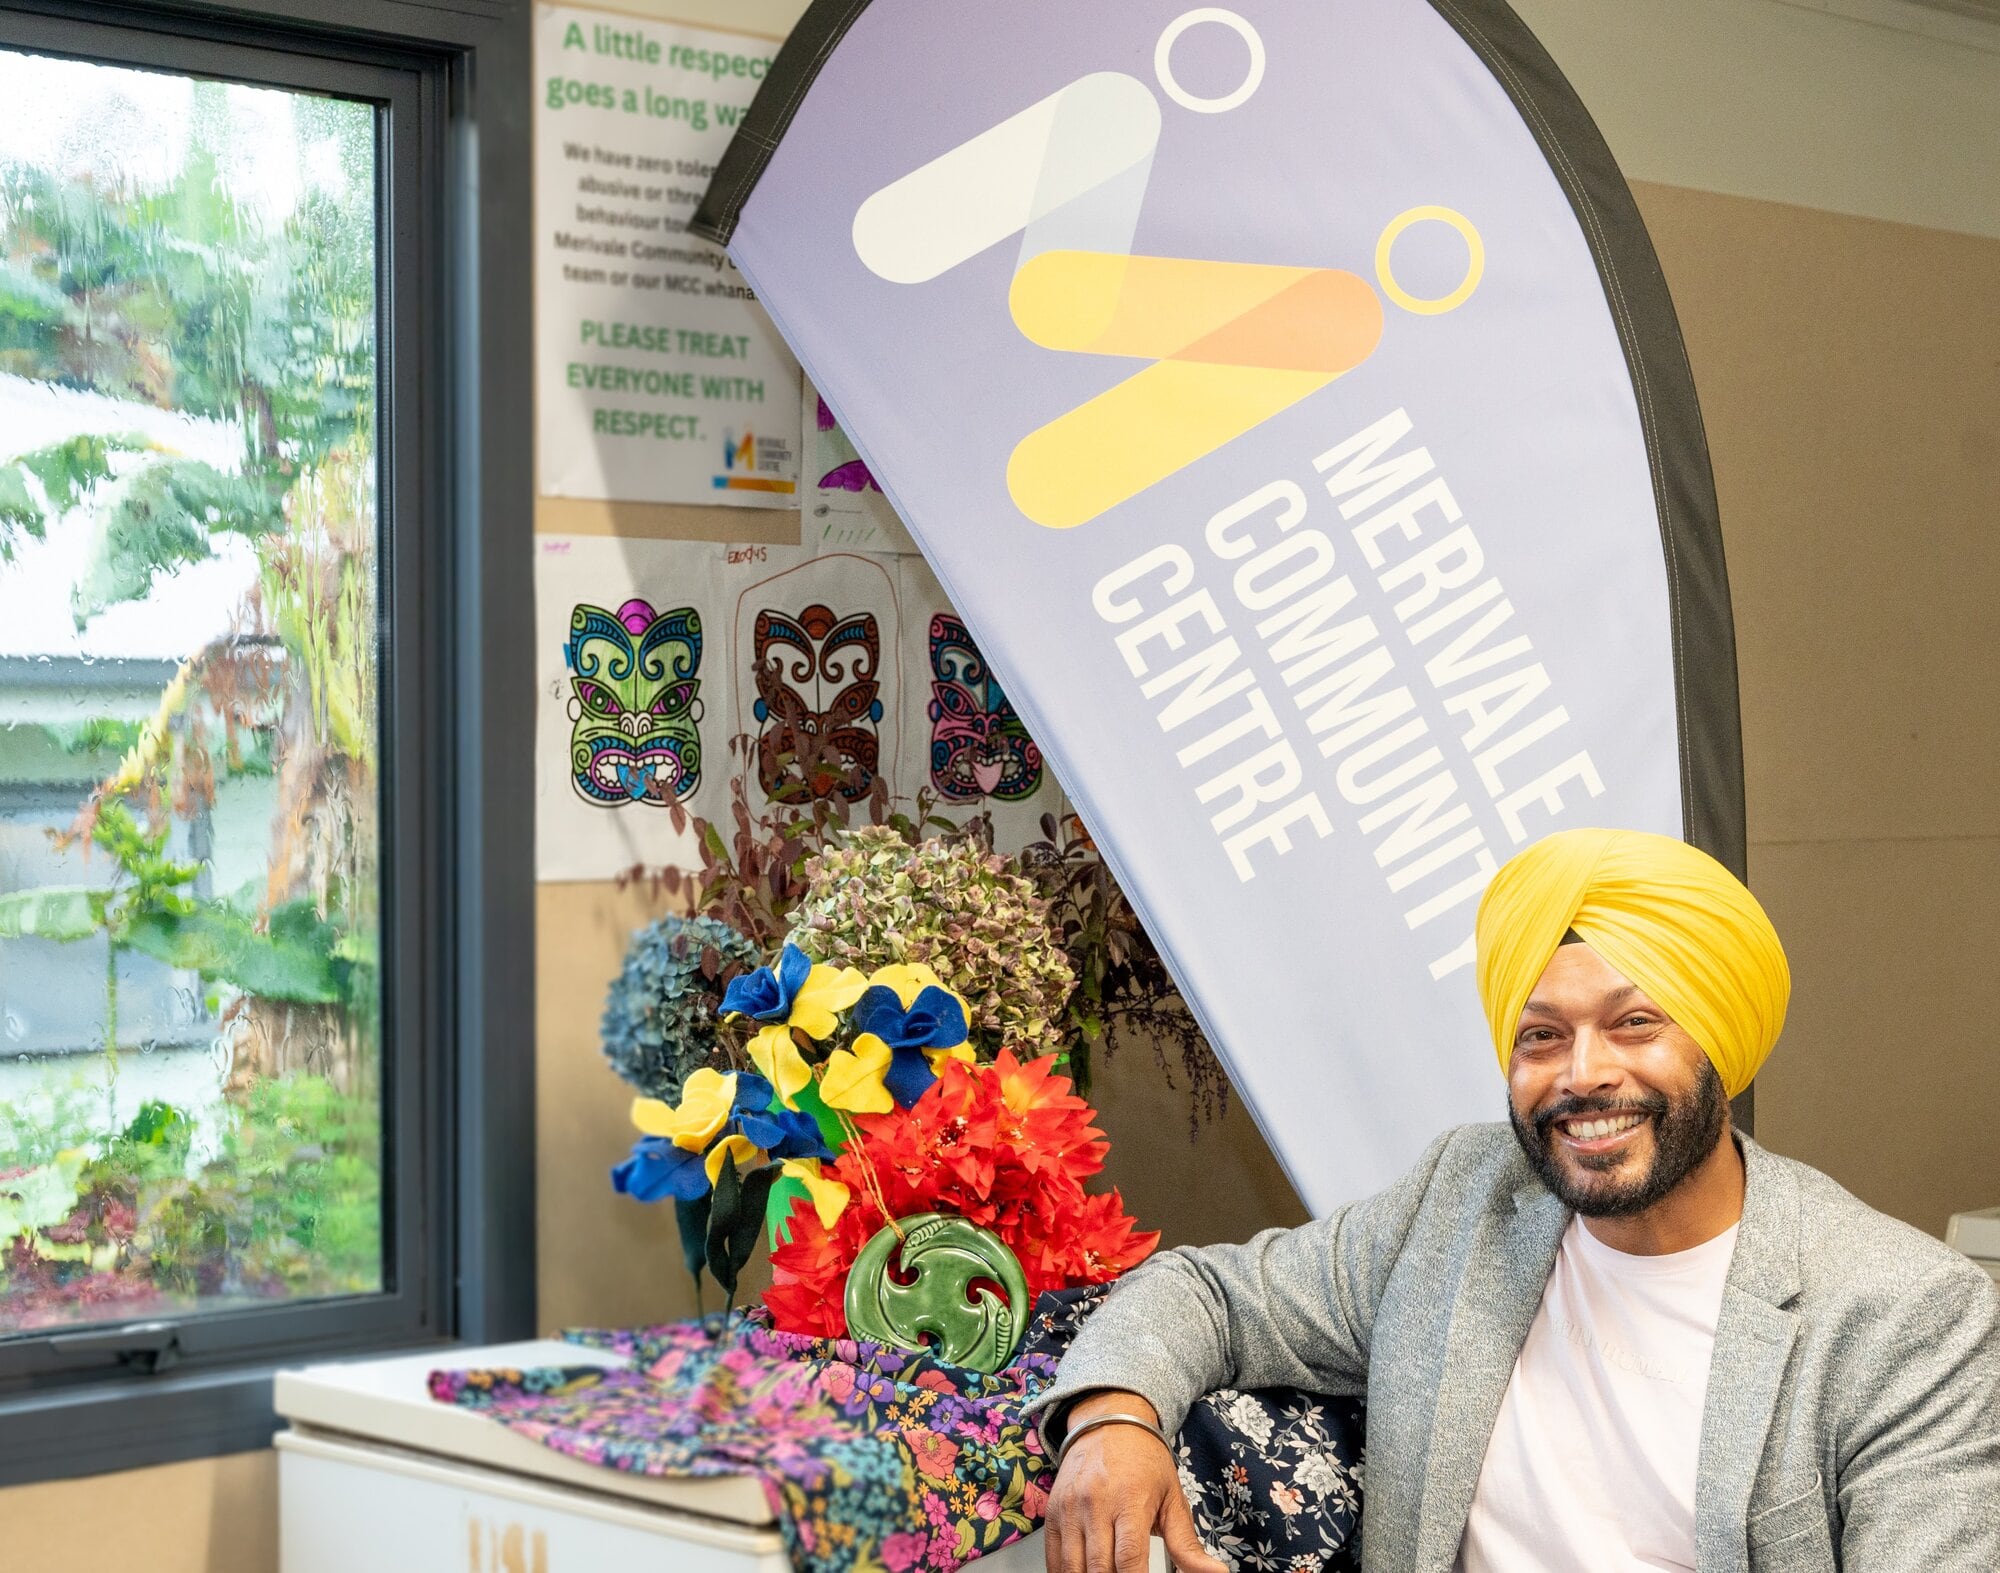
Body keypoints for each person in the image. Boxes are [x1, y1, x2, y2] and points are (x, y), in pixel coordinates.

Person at [1032, 827, 2000, 1573]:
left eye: (1633, 1024)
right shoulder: (1464, 1195)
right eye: (1541, 1037)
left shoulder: (1902, 1310)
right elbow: (1209, 1292)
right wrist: (1111, 1420)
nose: (1583, 1073)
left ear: (1719, 1041)